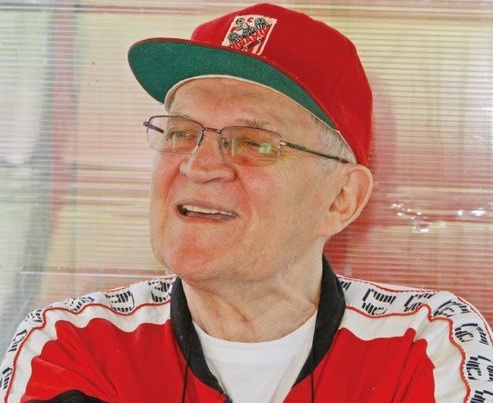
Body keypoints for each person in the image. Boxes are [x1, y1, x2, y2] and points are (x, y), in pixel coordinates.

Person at [1, 3, 492, 402]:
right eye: (181, 132)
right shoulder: (74, 341)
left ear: (341, 199)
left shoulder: (426, 342)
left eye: (254, 142)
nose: (198, 166)